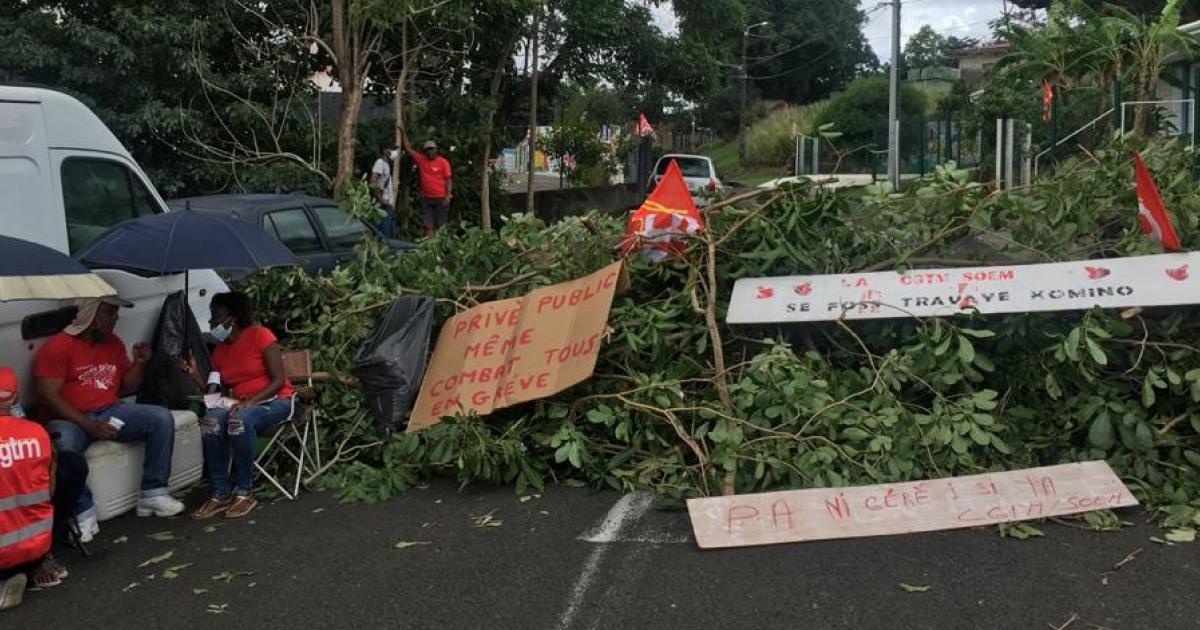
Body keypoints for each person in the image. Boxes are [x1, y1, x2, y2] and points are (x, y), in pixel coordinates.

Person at [35, 297, 184, 544]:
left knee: (160, 418)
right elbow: (47, 396)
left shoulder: (113, 343)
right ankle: (82, 511)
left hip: (110, 410)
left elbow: (128, 385)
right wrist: (88, 424)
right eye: (109, 312)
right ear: (89, 315)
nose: (116, 318)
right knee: (62, 444)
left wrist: (140, 363)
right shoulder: (58, 346)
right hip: (69, 417)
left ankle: (153, 493)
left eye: (116, 312)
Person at [183, 292, 293, 520]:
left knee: (238, 422)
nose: (211, 322)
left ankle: (244, 491)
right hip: (241, 405)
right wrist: (196, 376)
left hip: (277, 401)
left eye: (215, 316)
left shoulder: (260, 335)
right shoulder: (221, 351)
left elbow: (278, 380)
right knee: (212, 421)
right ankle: (220, 492)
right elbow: (216, 395)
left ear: (231, 319)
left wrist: (251, 401)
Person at [0, 367, 86, 609]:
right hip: (37, 546)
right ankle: (33, 565)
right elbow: (48, 493)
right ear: (15, 399)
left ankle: (6, 581)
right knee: (72, 463)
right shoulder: (38, 433)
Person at [402, 134, 452, 235]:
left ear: (436, 150)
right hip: (427, 198)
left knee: (441, 225)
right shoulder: (421, 160)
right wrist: (402, 132)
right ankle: (429, 248)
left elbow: (448, 179)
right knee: (428, 225)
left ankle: (441, 247)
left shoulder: (443, 162)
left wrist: (448, 196)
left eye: (432, 149)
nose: (430, 151)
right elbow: (408, 149)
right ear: (425, 151)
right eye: (428, 149)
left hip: (441, 198)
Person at [370, 143, 398, 238]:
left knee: (389, 235)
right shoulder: (380, 163)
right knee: (384, 237)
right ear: (386, 151)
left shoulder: (386, 165)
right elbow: (373, 182)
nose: (395, 152)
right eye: (393, 149)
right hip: (382, 207)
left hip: (387, 205)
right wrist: (381, 199)